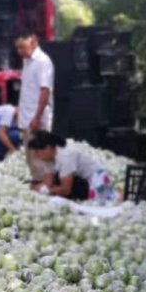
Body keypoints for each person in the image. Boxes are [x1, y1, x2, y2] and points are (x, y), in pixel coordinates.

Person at [27, 131, 118, 203]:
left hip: (95, 182)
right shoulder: (48, 158)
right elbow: (48, 182)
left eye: (37, 152)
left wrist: (46, 191)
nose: (36, 156)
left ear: (48, 148)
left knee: (61, 184)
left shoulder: (66, 155)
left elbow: (66, 189)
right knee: (56, 182)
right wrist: (38, 188)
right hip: (79, 180)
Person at [14, 29, 54, 179]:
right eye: (17, 48)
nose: (19, 51)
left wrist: (37, 117)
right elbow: (28, 90)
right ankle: (39, 186)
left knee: (41, 159)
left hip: (36, 120)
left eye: (22, 47)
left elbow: (45, 91)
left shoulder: (42, 61)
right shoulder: (27, 60)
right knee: (31, 159)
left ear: (33, 41)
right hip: (27, 119)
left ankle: (46, 190)